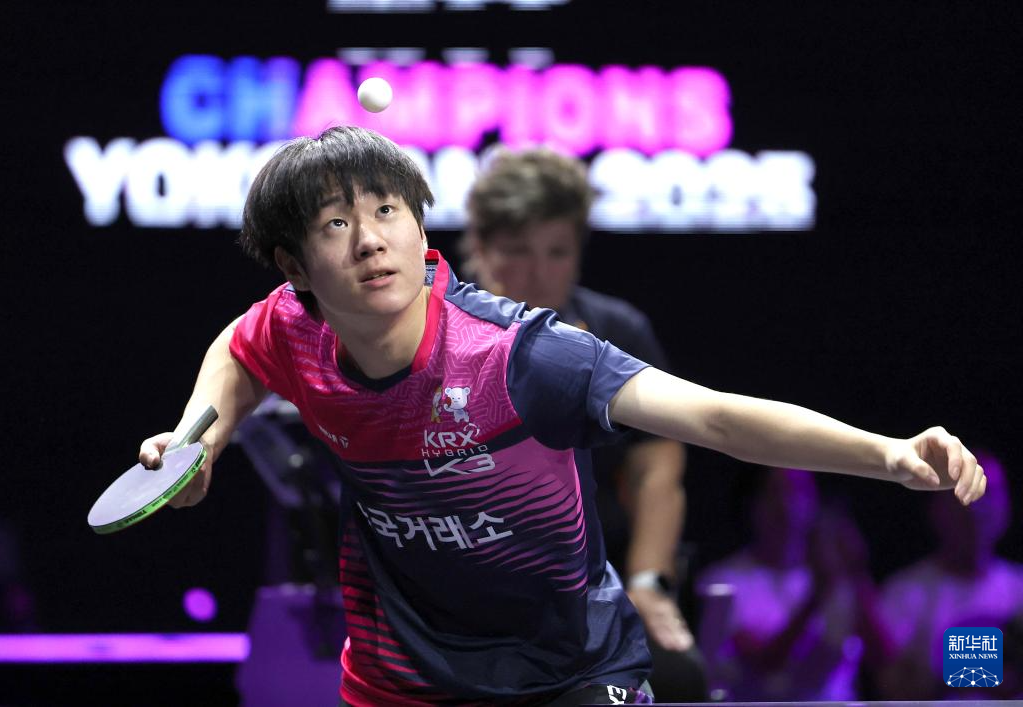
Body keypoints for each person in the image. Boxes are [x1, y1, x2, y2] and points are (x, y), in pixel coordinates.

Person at [138, 126, 986, 706]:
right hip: (405, 675)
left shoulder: (520, 355)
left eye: (387, 210)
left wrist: (887, 453)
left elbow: (715, 417)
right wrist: (197, 439)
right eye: (335, 223)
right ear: (294, 267)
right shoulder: (298, 329)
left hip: (568, 669)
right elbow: (240, 351)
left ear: (421, 224)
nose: (369, 240)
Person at [460, 147, 704, 701]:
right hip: (471, 586)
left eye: (557, 252)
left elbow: (657, 471)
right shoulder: (434, 336)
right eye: (517, 251)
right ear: (479, 247)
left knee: (676, 675)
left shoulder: (618, 332)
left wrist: (647, 581)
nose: (538, 273)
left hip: (597, 585)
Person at [695, 468, 893, 701]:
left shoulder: (840, 577)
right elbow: (764, 664)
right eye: (774, 493)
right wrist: (817, 595)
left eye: (799, 492)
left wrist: (856, 573)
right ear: (751, 504)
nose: (787, 506)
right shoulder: (723, 580)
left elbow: (884, 661)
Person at [877, 451, 1023, 700]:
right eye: (961, 492)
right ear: (936, 508)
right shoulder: (903, 592)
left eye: (988, 493)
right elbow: (891, 685)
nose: (975, 508)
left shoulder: (1018, 589)